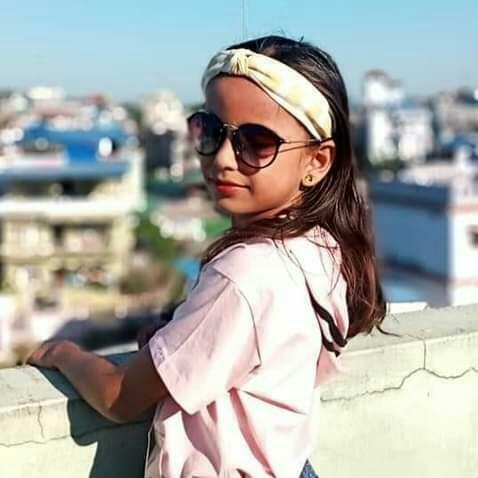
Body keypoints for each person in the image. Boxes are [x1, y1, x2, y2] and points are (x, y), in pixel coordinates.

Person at [27, 35, 386, 477]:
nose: (222, 158)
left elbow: (119, 397)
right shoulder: (319, 248)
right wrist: (178, 336)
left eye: (257, 142)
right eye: (211, 131)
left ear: (317, 161)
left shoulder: (246, 274)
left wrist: (61, 352)